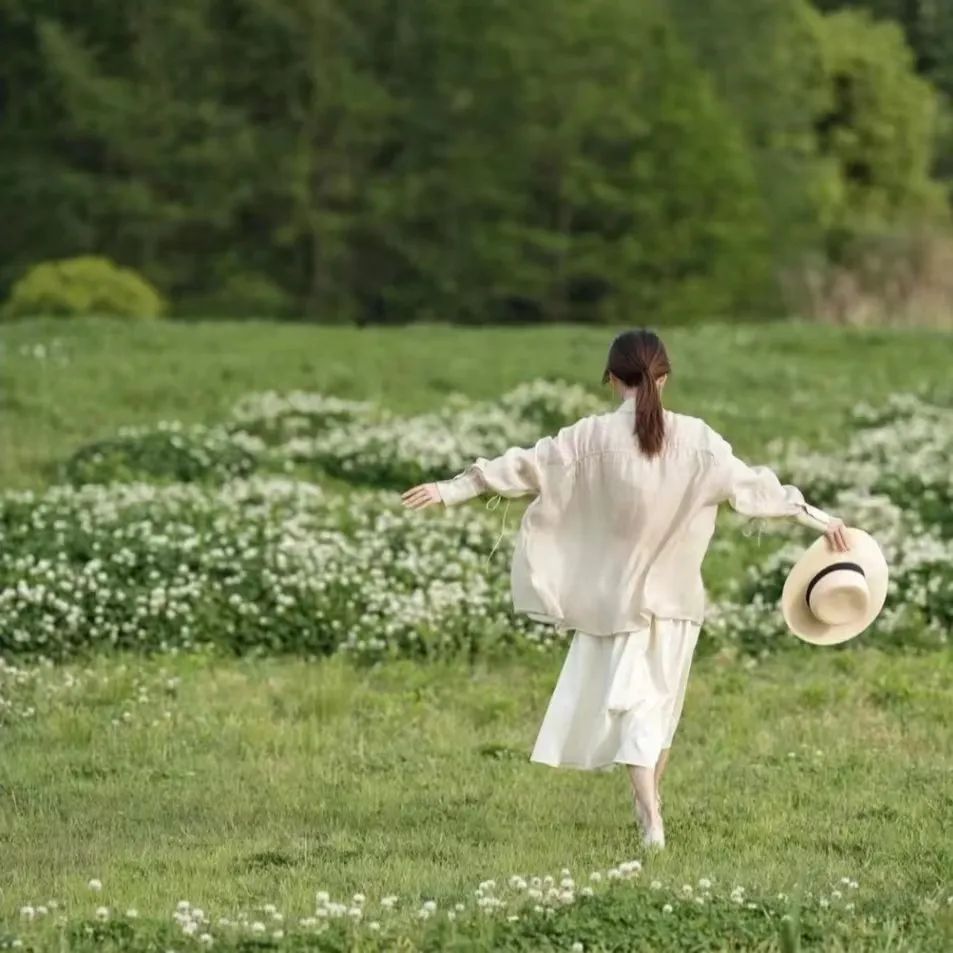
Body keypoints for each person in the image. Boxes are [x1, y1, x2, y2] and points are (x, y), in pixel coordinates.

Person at [399, 329, 848, 849]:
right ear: (665, 377)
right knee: (654, 708)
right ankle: (649, 813)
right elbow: (757, 490)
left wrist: (452, 489)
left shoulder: (588, 438)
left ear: (612, 379)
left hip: (616, 602)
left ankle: (649, 811)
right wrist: (821, 519)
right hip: (679, 603)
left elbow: (523, 465)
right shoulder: (699, 440)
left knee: (645, 710)